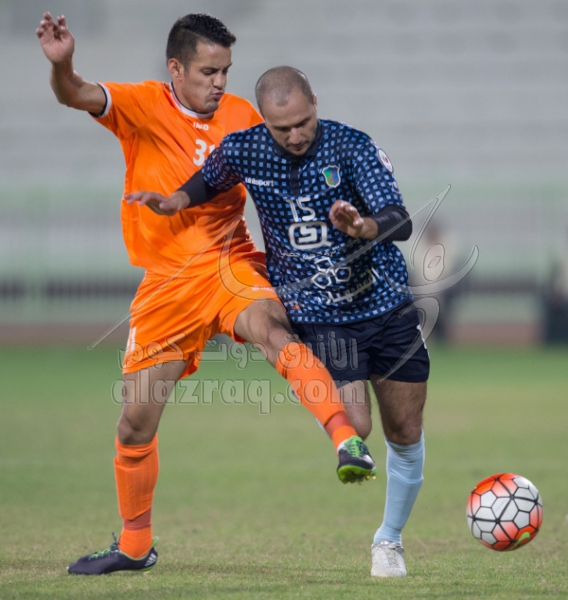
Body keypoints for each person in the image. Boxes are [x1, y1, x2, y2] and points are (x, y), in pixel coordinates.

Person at [37, 17, 376, 576]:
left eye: (225, 71)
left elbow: (298, 163)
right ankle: (135, 546)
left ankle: (345, 440)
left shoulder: (245, 117)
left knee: (270, 330)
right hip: (167, 285)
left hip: (229, 263)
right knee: (134, 425)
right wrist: (62, 64)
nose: (220, 83)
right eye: (208, 71)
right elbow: (74, 93)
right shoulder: (140, 105)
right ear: (176, 68)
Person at [128, 66, 430, 578]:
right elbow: (209, 178)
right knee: (356, 426)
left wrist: (364, 226)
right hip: (321, 315)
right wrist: (176, 199)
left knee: (405, 431)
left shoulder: (352, 147)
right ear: (264, 121)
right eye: (281, 128)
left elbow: (399, 219)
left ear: (315, 103)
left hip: (385, 304)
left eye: (302, 123)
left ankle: (389, 539)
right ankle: (341, 438)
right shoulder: (245, 149)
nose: (294, 136)